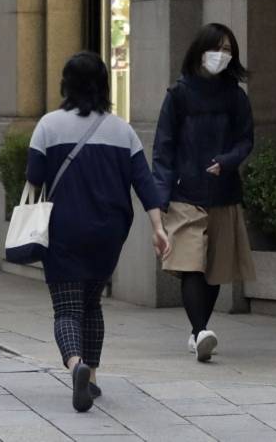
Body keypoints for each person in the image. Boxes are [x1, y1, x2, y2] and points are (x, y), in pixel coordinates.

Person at [25, 51, 168, 413]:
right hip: (109, 233)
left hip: (63, 229)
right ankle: (91, 379)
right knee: (92, 303)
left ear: (66, 83)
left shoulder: (48, 125)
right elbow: (144, 183)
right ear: (104, 85)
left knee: (67, 309)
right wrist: (158, 227)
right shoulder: (123, 130)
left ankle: (76, 365)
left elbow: (34, 178)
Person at [151, 22, 257, 362]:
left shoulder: (235, 96)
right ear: (200, 51)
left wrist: (226, 161)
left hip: (223, 192)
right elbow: (163, 149)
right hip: (186, 194)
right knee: (191, 263)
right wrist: (160, 199)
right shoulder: (179, 95)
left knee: (214, 267)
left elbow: (246, 139)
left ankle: (200, 331)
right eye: (218, 48)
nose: (222, 56)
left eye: (228, 50)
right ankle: (199, 332)